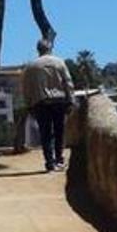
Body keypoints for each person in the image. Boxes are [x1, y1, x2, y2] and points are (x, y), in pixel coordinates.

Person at [22, 38, 75, 172]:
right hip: (59, 101)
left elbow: (26, 88)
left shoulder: (31, 66)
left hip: (41, 102)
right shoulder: (59, 62)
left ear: (38, 49)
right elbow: (68, 83)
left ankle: (49, 163)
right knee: (59, 132)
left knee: (45, 133)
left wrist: (29, 104)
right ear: (50, 49)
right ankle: (59, 160)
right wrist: (71, 100)